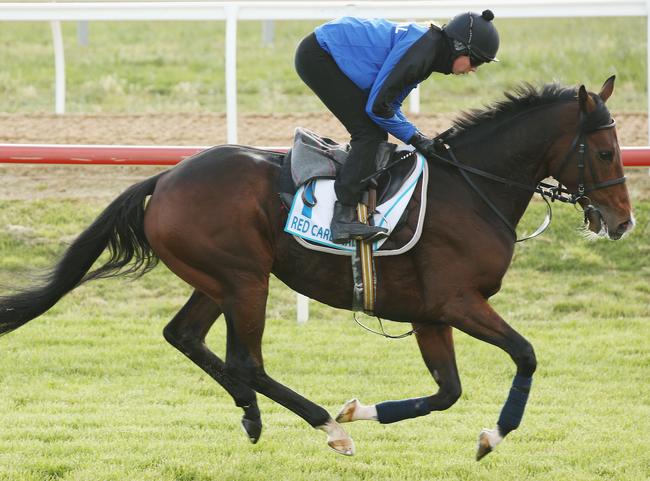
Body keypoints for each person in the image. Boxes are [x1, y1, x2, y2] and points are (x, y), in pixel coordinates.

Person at [294, 10, 500, 244]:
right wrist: (416, 138)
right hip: (319, 56)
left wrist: (417, 136)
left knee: (375, 132)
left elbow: (389, 103)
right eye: (476, 61)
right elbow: (379, 107)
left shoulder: (429, 49)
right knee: (369, 134)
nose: (474, 69)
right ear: (459, 47)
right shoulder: (424, 51)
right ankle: (342, 217)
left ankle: (360, 185)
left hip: (327, 50)